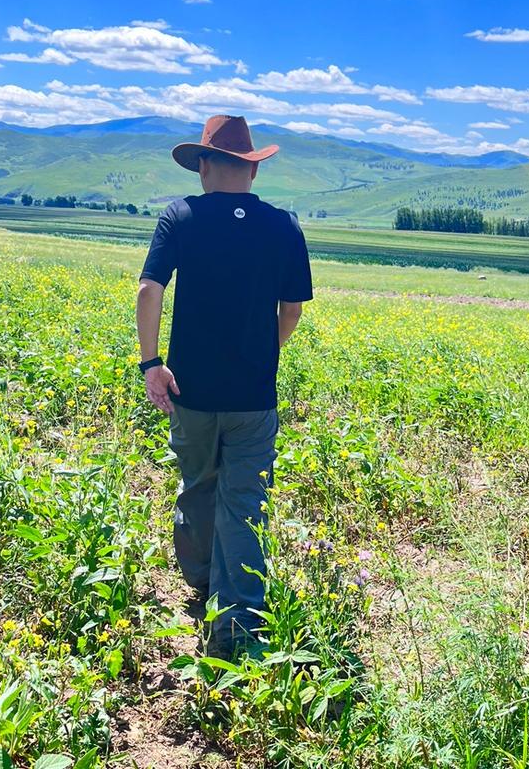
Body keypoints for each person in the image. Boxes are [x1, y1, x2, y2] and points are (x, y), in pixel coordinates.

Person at [136, 114, 313, 658]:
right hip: (252, 396)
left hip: (190, 389)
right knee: (245, 502)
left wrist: (152, 364)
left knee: (197, 483)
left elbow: (149, 290)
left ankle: (198, 582)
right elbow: (292, 310)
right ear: (253, 172)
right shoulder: (284, 226)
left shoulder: (180, 216)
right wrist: (264, 351)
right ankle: (236, 629)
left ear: (206, 167)